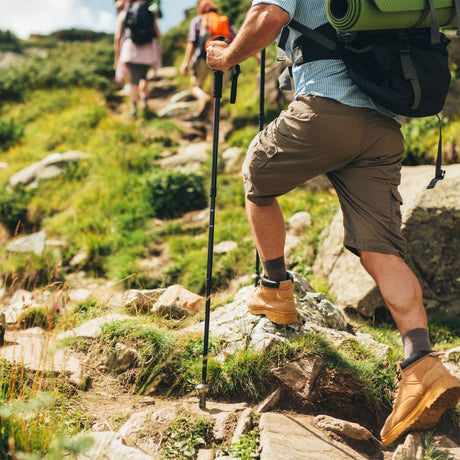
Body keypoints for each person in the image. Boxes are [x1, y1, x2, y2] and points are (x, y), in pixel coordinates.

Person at [206, 0, 460, 447]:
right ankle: (422, 363)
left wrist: (226, 57)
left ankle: (275, 289)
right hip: (381, 126)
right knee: (381, 250)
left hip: (326, 109)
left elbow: (268, 17)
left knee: (256, 177)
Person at [180, 0, 236, 119]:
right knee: (216, 95)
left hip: (202, 56)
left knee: (195, 86)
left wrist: (185, 63)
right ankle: (213, 124)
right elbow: (237, 38)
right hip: (222, 56)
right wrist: (257, 57)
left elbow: (192, 42)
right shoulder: (223, 20)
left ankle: (202, 97)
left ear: (200, 9)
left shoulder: (197, 20)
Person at [114, 0, 162, 119]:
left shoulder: (124, 13)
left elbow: (118, 37)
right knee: (144, 77)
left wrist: (117, 57)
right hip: (147, 49)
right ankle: (144, 102)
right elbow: (159, 34)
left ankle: (133, 109)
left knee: (134, 80)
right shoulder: (150, 11)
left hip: (131, 49)